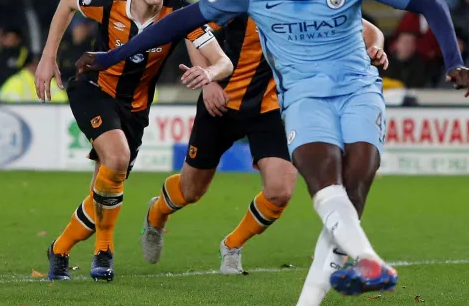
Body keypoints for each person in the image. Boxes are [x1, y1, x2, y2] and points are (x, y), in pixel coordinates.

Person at [75, 0, 469, 306]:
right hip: (272, 99)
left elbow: (424, 4)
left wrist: (452, 61)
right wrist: (111, 57)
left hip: (347, 92)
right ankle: (362, 262)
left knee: (344, 189)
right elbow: (184, 23)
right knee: (232, 187)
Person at [35, 0, 234, 282]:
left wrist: (209, 75)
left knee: (103, 190)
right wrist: (47, 56)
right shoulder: (109, 1)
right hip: (93, 89)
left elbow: (223, 62)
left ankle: (60, 249)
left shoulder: (180, 13)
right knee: (116, 158)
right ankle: (104, 253)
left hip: (136, 109)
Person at [140, 16, 387, 275]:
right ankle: (156, 213)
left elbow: (372, 32)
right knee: (191, 191)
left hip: (271, 109)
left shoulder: (316, 1)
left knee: (280, 191)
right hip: (221, 102)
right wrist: (209, 83)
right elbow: (194, 30)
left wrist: (376, 49)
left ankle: (232, 245)